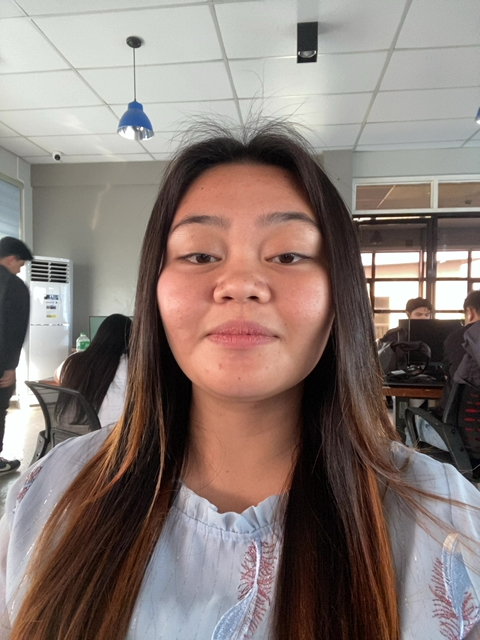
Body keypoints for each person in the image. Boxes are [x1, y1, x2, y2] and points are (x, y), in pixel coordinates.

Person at [0, 123, 479, 640]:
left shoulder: (446, 522)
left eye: (288, 255)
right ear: (154, 290)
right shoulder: (48, 494)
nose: (240, 285)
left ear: (339, 291)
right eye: (200, 255)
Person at [54, 314, 132, 428]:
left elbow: (57, 377)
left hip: (73, 433)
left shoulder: (74, 360)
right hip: (112, 434)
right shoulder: (130, 365)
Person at [0, 236, 33, 476]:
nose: (20, 269)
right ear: (11, 259)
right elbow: (14, 330)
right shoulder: (13, 286)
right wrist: (11, 366)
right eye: (20, 264)